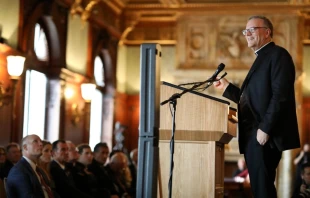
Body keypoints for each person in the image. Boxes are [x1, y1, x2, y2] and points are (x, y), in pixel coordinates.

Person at [213, 15, 300, 198]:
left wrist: (265, 128)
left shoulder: (278, 55)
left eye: (253, 29)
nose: (248, 34)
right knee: (260, 190)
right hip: (254, 136)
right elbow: (252, 101)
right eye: (246, 31)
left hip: (263, 137)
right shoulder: (261, 58)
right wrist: (227, 88)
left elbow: (280, 96)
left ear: (267, 32)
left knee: (263, 191)